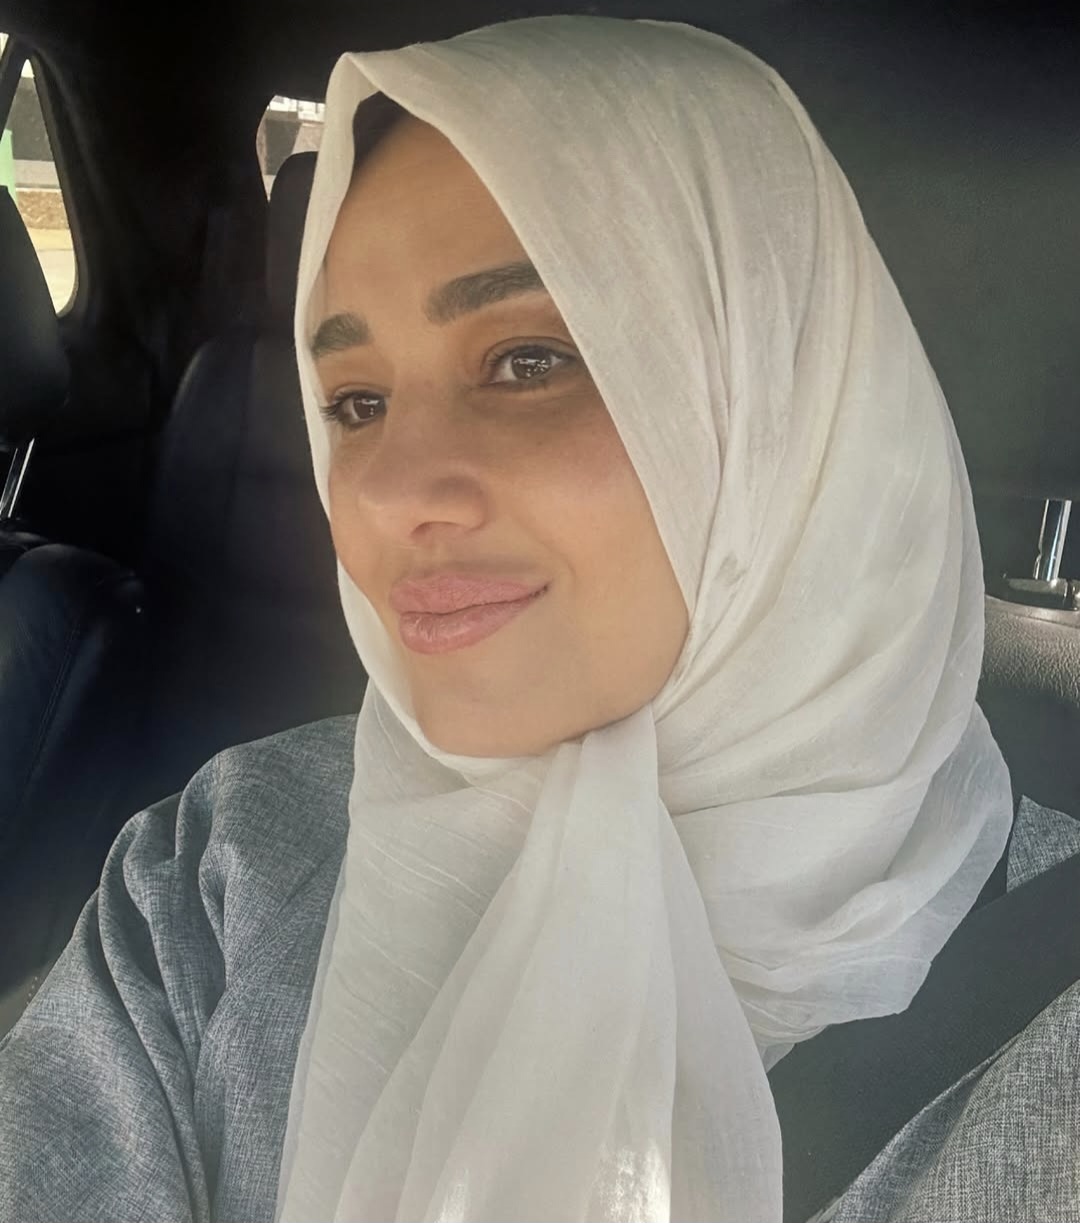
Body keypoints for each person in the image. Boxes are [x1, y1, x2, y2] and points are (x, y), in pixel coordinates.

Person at [2, 14, 1078, 1223]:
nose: (386, 494)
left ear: (777, 393)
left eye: (527, 361)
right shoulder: (214, 871)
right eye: (353, 401)